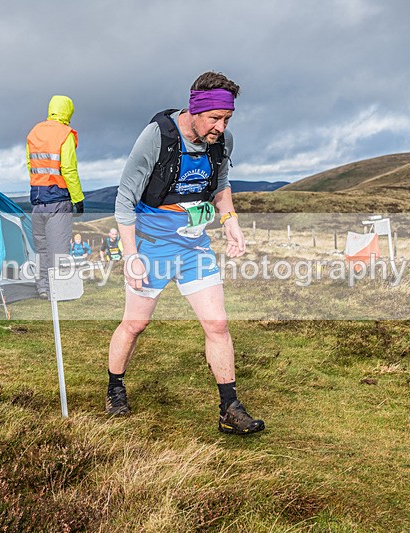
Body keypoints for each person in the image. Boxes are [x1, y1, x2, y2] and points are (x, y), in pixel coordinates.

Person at [106, 71, 264, 435]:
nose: (220, 127)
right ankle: (115, 388)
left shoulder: (222, 142)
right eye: (214, 118)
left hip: (194, 245)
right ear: (195, 110)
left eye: (227, 119)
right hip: (152, 246)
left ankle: (230, 409)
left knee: (217, 324)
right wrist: (131, 255)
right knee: (135, 324)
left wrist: (231, 222)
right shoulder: (157, 137)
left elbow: (220, 186)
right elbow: (124, 200)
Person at [26, 95, 85, 299]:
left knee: (41, 248)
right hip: (58, 200)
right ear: (68, 111)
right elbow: (68, 169)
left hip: (37, 200)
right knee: (58, 249)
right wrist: (77, 198)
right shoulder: (65, 134)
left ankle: (42, 287)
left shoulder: (34, 133)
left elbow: (29, 165)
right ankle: (57, 291)